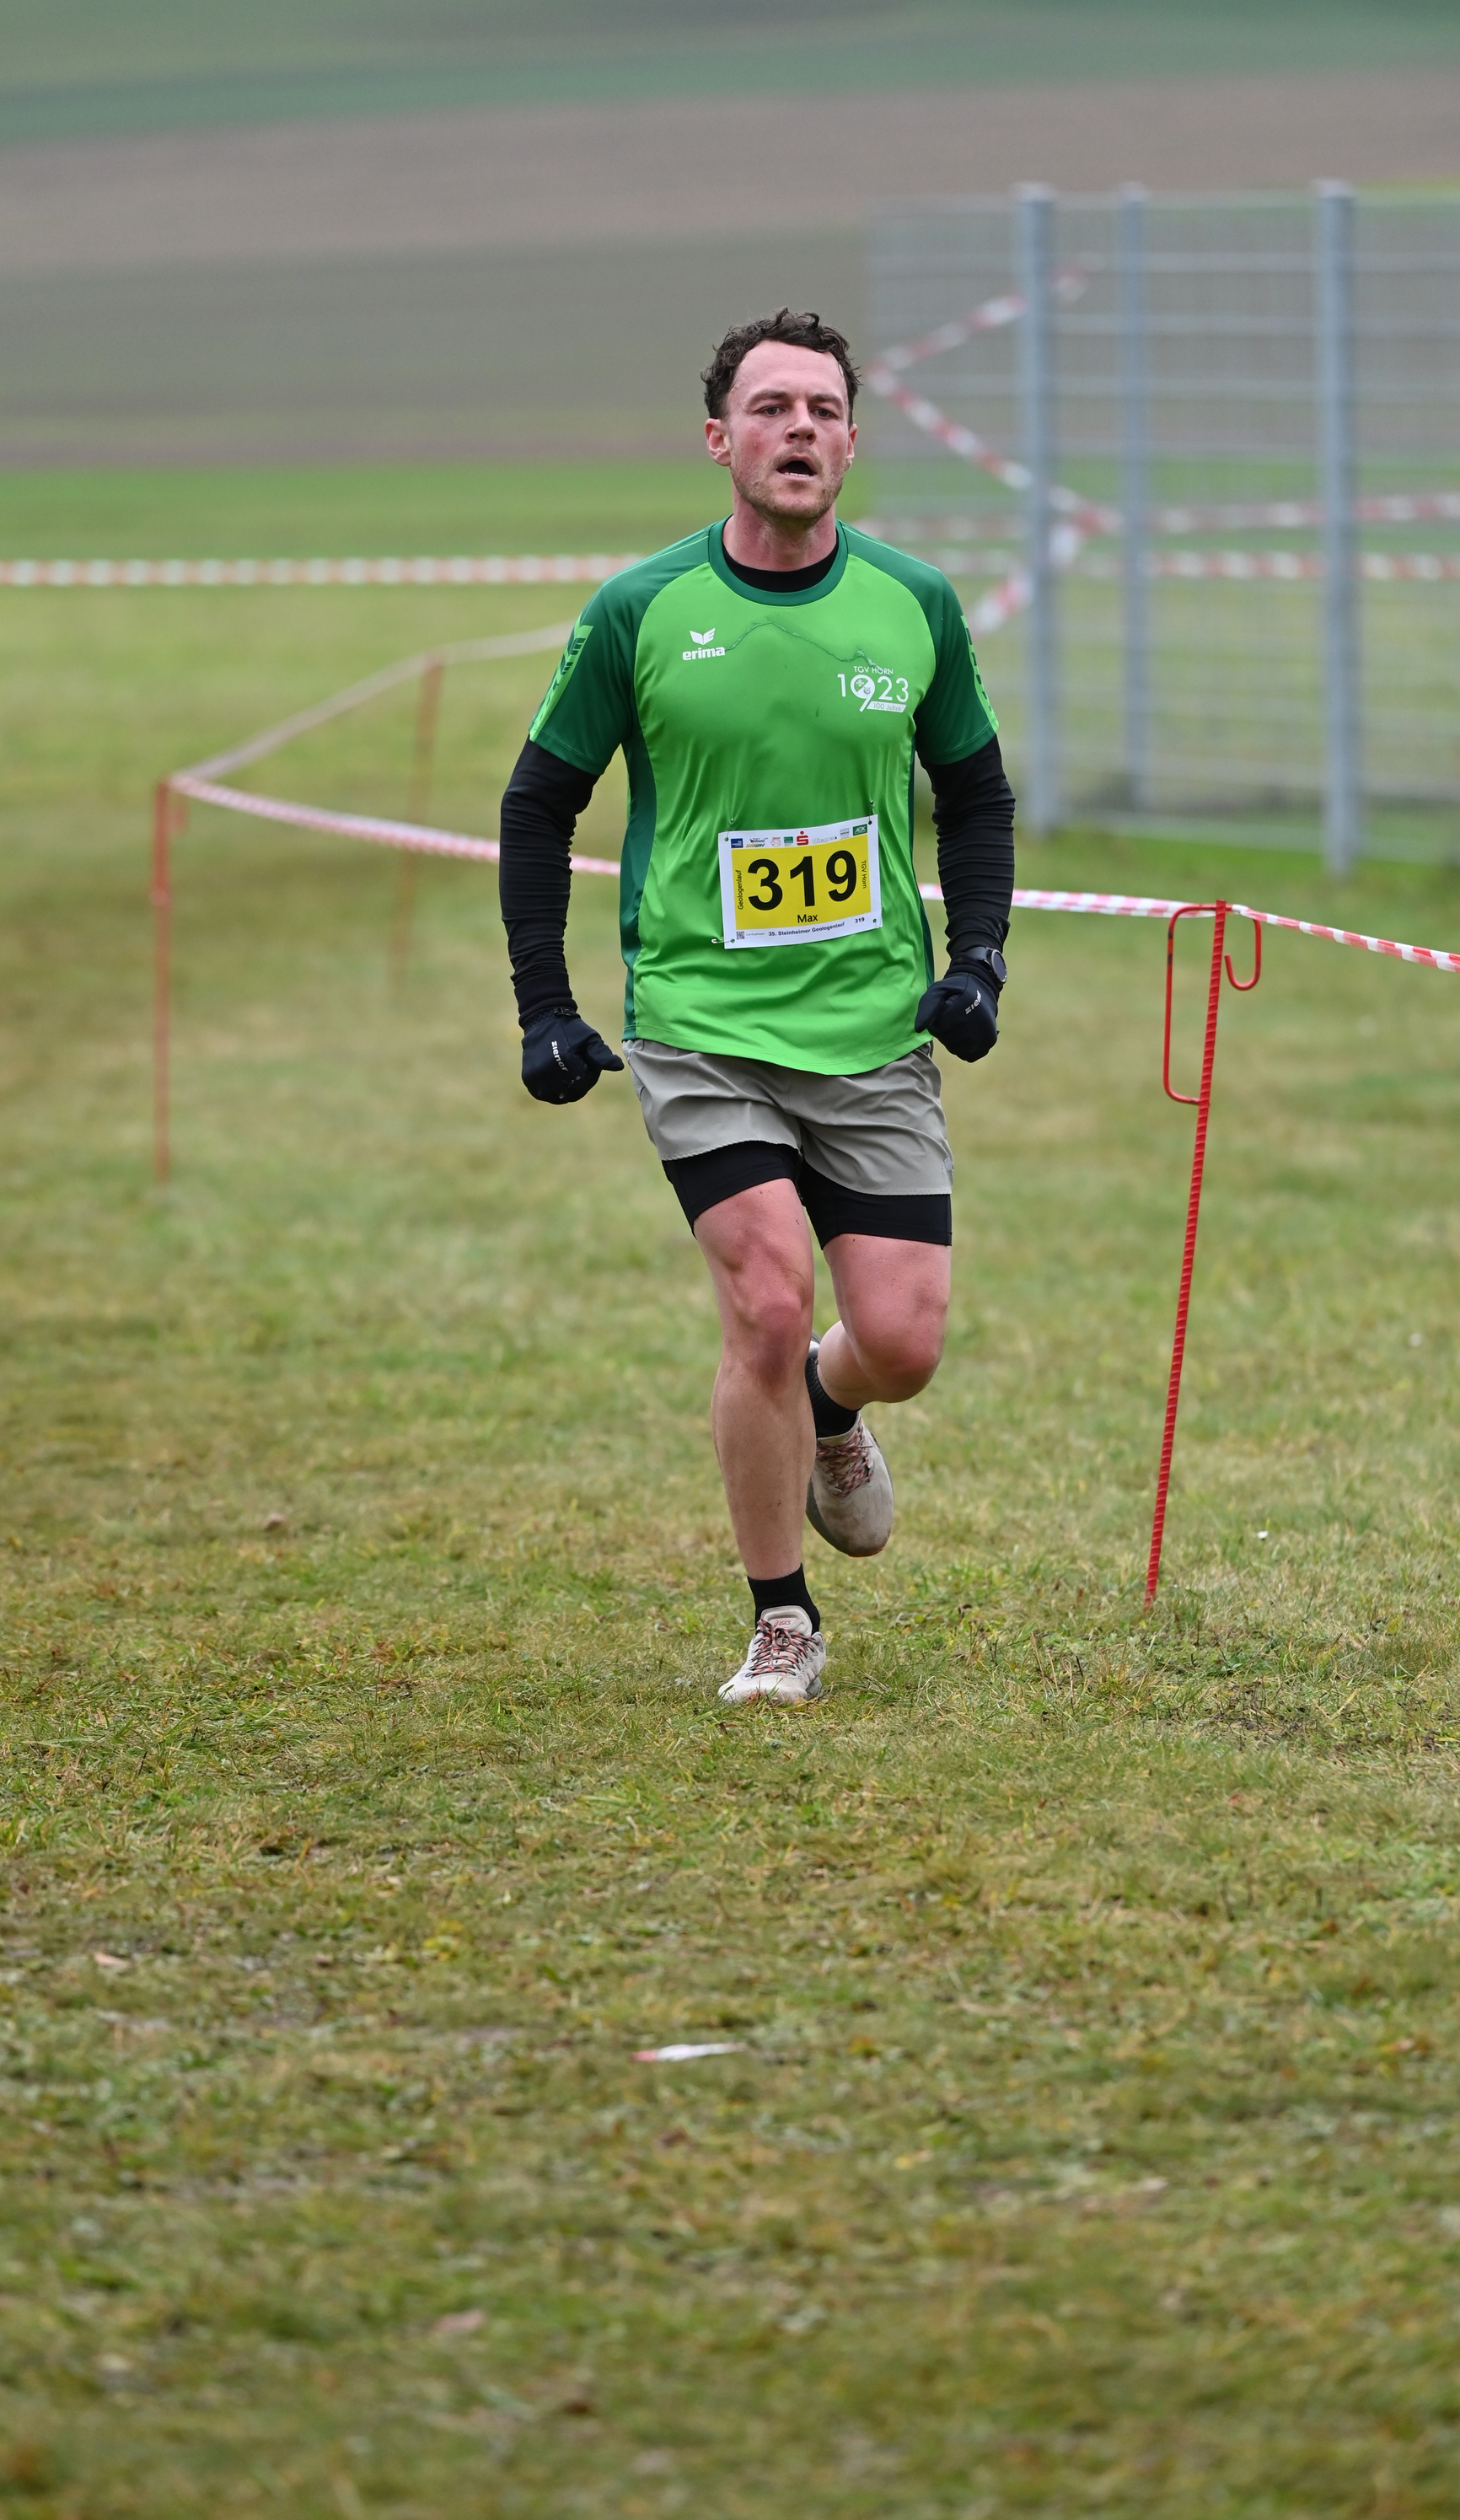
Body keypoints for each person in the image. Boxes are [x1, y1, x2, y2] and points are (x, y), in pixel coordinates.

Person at [498, 309, 1014, 1705]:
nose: (800, 428)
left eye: (824, 410)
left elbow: (975, 796)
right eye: (773, 407)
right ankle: (781, 1618)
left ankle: (834, 1409)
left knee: (901, 1338)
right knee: (769, 1303)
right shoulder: (641, 610)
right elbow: (539, 804)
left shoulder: (912, 603)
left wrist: (977, 960)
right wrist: (545, 1004)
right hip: (702, 1022)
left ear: (850, 441)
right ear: (719, 438)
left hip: (870, 1028)